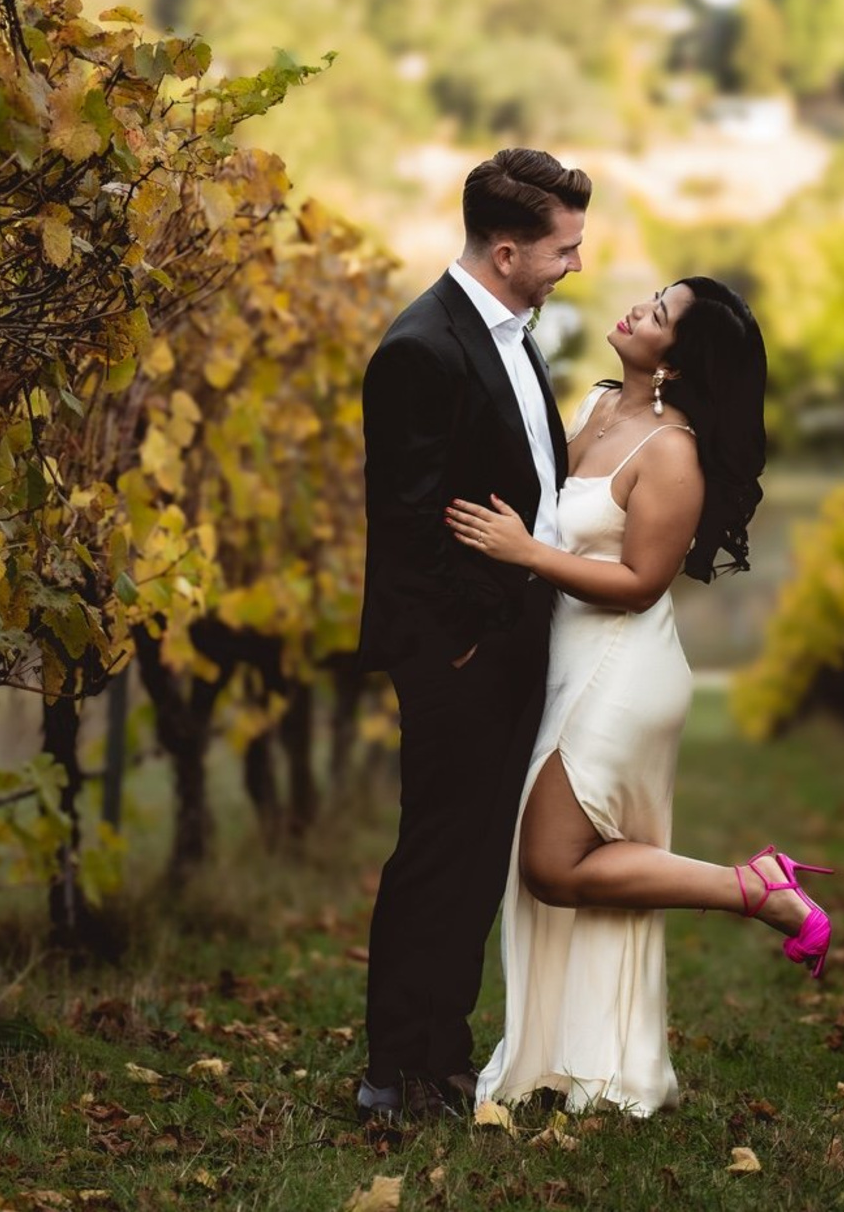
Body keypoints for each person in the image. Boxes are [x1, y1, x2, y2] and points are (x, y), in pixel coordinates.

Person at [445, 276, 830, 1117]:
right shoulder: (599, 408)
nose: (634, 309)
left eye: (656, 316)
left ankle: (753, 887)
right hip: (568, 662)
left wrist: (522, 553)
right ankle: (582, 1063)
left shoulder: (671, 452)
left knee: (551, 864)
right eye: (650, 298)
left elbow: (639, 582)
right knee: (556, 863)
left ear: (680, 364)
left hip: (619, 667)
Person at [355, 148, 591, 1123]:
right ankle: (393, 1070)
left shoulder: (510, 332)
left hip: (509, 642)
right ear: (505, 250)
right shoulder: (421, 346)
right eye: (562, 249)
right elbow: (409, 523)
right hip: (459, 652)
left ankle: (440, 1051)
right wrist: (468, 639)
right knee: (436, 853)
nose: (573, 264)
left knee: (475, 853)